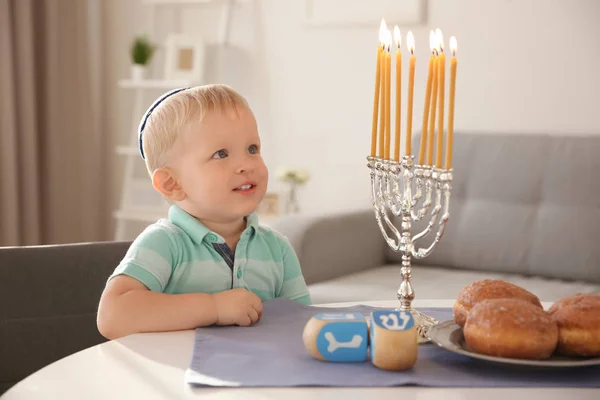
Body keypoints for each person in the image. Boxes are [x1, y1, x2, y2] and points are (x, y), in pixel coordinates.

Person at [97, 84, 311, 340]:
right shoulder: (165, 243)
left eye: (252, 149)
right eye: (221, 154)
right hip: (174, 377)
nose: (245, 164)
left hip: (254, 377)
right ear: (172, 184)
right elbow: (112, 316)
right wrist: (214, 307)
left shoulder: (277, 249)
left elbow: (302, 326)